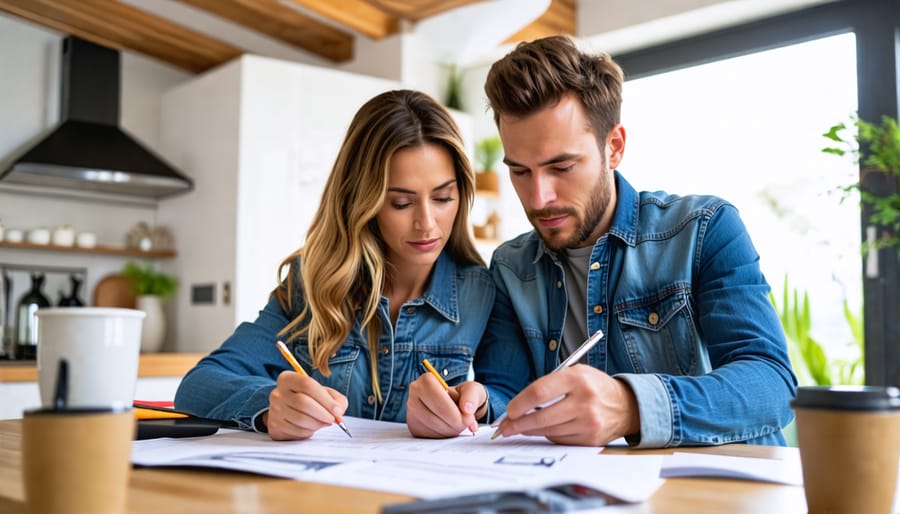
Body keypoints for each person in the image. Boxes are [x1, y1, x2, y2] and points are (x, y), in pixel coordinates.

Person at [406, 36, 797, 447]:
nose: (539, 198)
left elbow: (771, 384)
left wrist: (631, 407)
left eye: (562, 166)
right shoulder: (510, 266)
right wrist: (478, 403)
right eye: (520, 172)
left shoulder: (704, 230)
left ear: (614, 147)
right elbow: (508, 393)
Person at [175, 89, 495, 440]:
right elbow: (199, 385)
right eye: (401, 203)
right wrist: (269, 407)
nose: (427, 223)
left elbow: (505, 393)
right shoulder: (312, 283)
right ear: (362, 201)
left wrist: (477, 404)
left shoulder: (481, 291)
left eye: (443, 197)